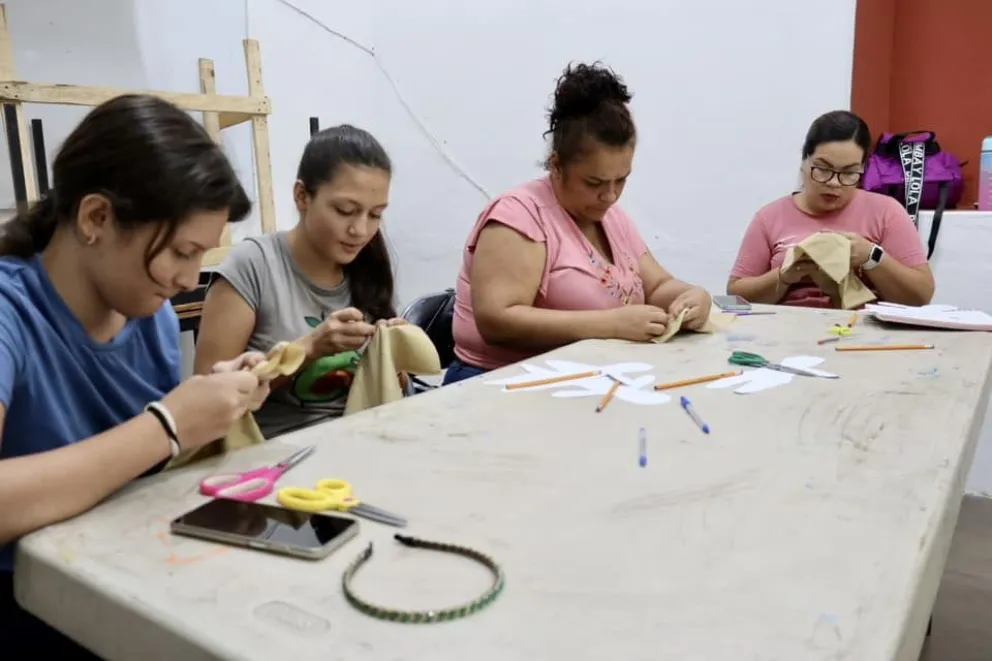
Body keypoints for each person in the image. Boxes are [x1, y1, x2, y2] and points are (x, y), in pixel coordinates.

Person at [0, 95, 274, 656]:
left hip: (127, 574)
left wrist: (211, 404)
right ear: (96, 217)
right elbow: (148, 436)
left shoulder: (150, 315)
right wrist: (169, 424)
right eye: (180, 251)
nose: (189, 278)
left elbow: (132, 462)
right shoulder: (9, 313)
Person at [443, 62, 711, 385]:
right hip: (498, 383)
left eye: (621, 180)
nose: (610, 195)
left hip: (588, 381)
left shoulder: (612, 218)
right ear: (556, 165)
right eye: (594, 183)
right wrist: (610, 325)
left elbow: (656, 286)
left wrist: (693, 297)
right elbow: (497, 319)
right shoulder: (519, 217)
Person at [194, 125, 406, 439]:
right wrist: (307, 350)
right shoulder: (253, 266)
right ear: (302, 196)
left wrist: (393, 359)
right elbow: (206, 401)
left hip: (361, 440)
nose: (360, 230)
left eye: (375, 215)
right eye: (345, 211)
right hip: (270, 455)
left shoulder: (368, 269)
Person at [727, 110, 934, 308]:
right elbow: (735, 296)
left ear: (863, 169)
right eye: (823, 168)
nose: (834, 183)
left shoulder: (886, 212)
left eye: (849, 173)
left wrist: (872, 257)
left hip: (862, 333)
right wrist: (784, 276)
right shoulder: (769, 217)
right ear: (804, 160)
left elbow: (921, 295)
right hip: (787, 328)